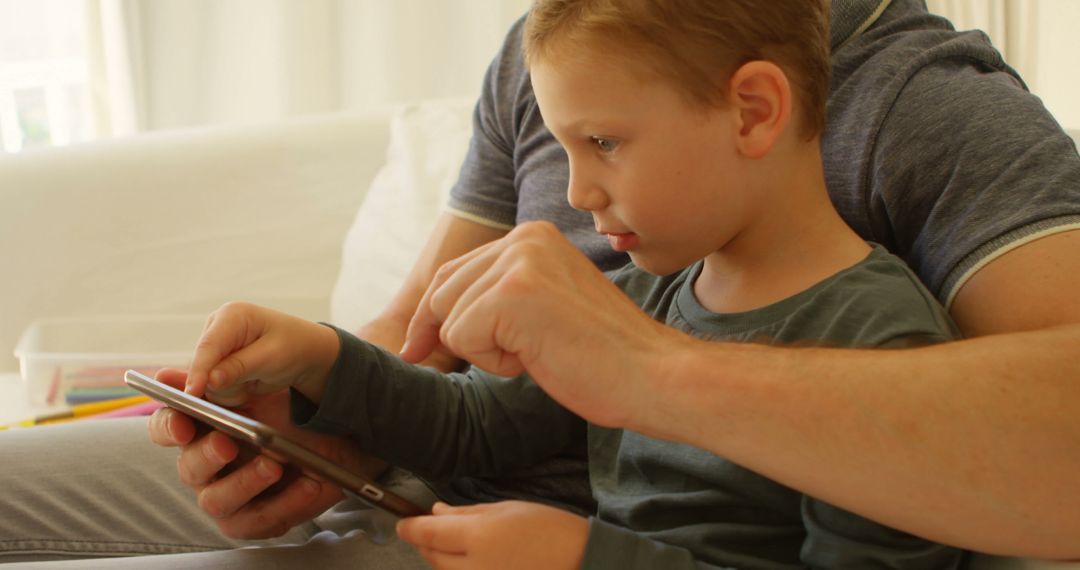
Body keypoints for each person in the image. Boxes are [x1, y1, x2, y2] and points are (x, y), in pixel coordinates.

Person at [0, 0, 1076, 567]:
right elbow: (454, 383)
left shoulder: (924, 124)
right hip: (454, 507)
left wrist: (646, 392)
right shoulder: (559, 63)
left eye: (602, 142)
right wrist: (324, 378)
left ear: (756, 113)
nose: (580, 191)